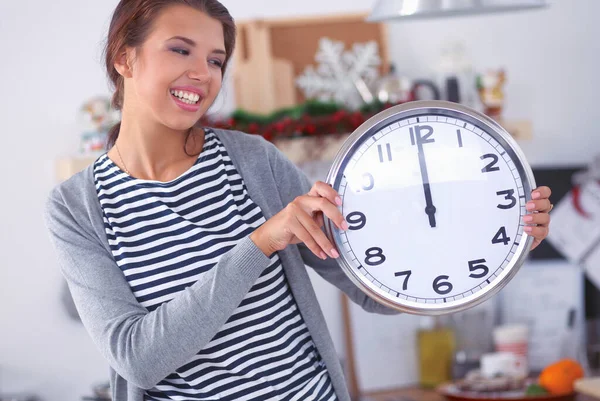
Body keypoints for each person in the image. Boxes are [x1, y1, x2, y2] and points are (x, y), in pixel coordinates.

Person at [44, 1, 553, 400]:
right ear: (124, 56)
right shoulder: (76, 207)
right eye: (180, 50)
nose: (203, 73)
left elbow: (371, 286)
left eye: (216, 59)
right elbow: (138, 358)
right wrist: (260, 243)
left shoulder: (253, 161)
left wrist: (499, 247)